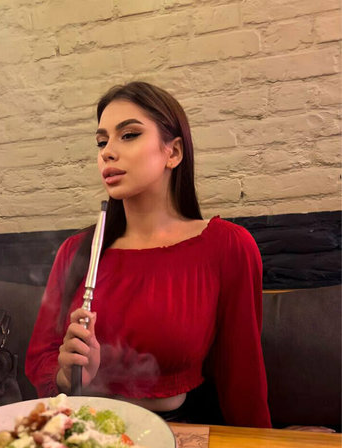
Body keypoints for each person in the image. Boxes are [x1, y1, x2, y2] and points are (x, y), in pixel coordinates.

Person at [25, 81, 272, 428]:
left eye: (128, 135)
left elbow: (242, 376)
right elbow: (41, 358)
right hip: (86, 430)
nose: (108, 152)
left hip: (180, 430)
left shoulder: (227, 246)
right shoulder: (76, 252)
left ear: (173, 152)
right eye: (102, 142)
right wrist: (66, 375)